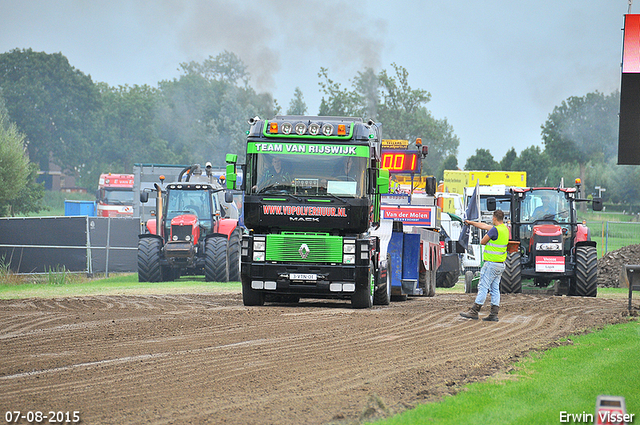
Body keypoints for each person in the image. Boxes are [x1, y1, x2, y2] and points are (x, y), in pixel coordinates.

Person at [460, 209, 509, 322]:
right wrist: (471, 223)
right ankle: (494, 314)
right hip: (500, 264)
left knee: (483, 287)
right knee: (495, 289)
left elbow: (483, 241)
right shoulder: (504, 229)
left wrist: (488, 234)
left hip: (491, 264)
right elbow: (484, 225)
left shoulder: (494, 230)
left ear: (494, 218)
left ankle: (474, 311)